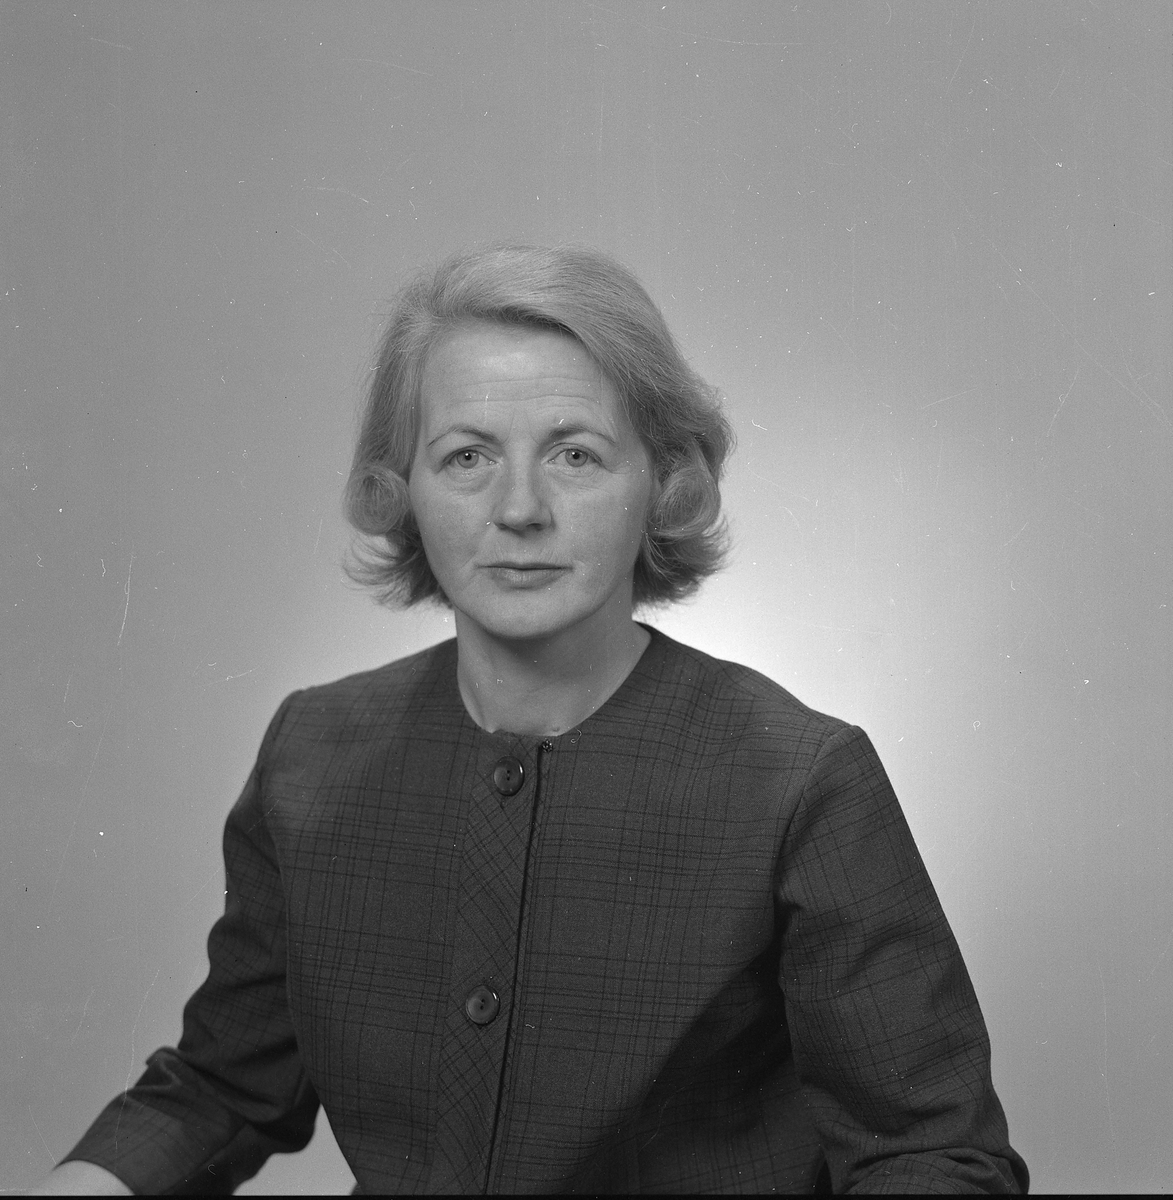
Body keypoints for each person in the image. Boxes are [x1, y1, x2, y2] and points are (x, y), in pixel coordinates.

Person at [33, 244, 1028, 1195]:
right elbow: (221, 1088)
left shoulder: (802, 780)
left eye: (575, 455)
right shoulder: (312, 754)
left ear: (663, 484)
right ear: (402, 490)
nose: (519, 508)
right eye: (466, 456)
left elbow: (934, 1157)